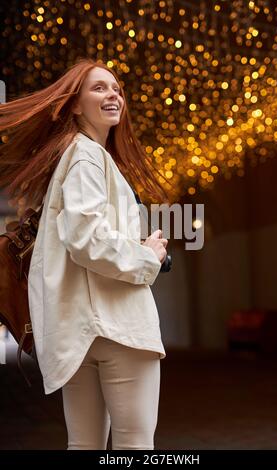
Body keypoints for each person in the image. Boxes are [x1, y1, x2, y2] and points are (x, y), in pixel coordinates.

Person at [0, 58, 170, 450]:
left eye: (117, 89)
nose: (113, 95)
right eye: (99, 88)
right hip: (119, 327)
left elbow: (79, 237)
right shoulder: (87, 155)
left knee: (84, 445)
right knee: (134, 446)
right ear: (74, 105)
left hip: (80, 335)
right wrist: (148, 255)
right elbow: (87, 238)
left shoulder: (71, 156)